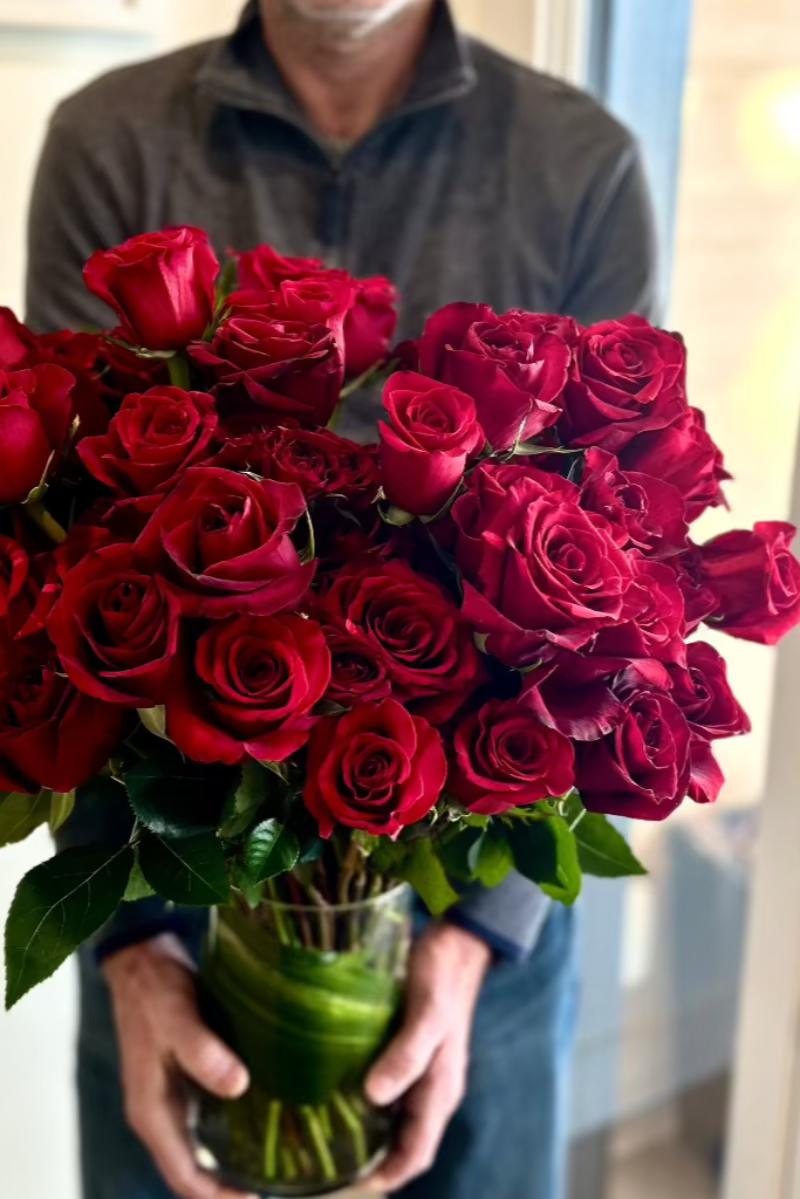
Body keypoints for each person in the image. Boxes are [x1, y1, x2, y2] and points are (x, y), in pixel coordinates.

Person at [25, 2, 658, 1198]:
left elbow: (614, 584)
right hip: (177, 918)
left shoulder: (581, 164)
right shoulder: (109, 141)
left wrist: (478, 937)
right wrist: (132, 943)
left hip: (473, 941)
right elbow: (63, 580)